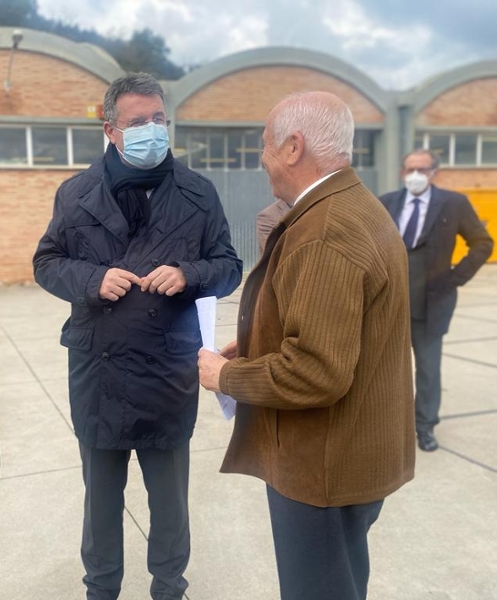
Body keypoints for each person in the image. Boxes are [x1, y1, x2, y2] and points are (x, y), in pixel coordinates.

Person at [198, 91, 415, 600]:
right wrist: (254, 342)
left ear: (293, 147)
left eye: (265, 146)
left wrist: (224, 377)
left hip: (323, 468)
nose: (262, 159)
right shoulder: (354, 206)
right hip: (349, 456)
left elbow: (316, 370)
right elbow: (339, 330)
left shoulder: (325, 230)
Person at [33, 72, 242, 600]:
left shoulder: (198, 193)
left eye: (158, 119)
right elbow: (47, 262)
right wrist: (90, 279)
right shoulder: (76, 194)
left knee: (169, 502)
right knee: (101, 501)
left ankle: (169, 588)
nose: (151, 129)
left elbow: (229, 266)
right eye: (137, 122)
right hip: (97, 371)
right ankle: (100, 590)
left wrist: (189, 274)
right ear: (110, 129)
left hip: (167, 372)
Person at [380, 150, 494, 452]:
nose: (415, 175)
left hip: (431, 305)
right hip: (390, 305)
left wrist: (454, 278)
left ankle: (425, 427)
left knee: (429, 370)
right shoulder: (387, 203)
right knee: (388, 371)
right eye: (409, 169)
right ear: (402, 172)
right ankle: (388, 427)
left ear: (434, 172)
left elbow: (482, 243)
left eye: (421, 169)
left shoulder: (454, 204)